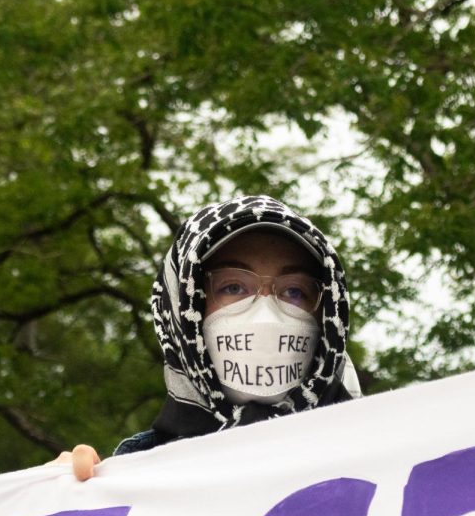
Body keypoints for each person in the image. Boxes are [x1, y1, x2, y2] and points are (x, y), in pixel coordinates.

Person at [55, 194, 362, 480]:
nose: (266, 313)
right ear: (183, 307)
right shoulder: (130, 482)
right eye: (233, 287)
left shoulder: (386, 461)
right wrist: (57, 507)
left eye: (294, 292)